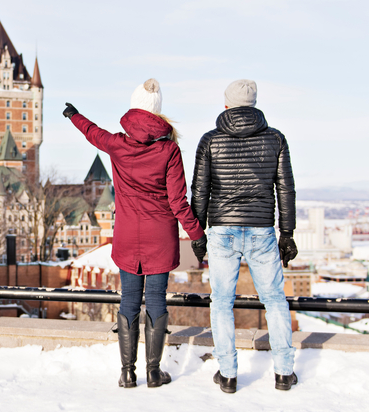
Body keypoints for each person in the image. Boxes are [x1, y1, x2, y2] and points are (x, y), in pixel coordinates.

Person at [64, 79, 204, 388]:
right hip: (160, 237)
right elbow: (179, 201)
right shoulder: (169, 149)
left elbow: (92, 133)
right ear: (157, 111)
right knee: (155, 300)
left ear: (133, 107)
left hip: (127, 236)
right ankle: (154, 372)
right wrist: (197, 235)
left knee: (128, 300)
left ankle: (127, 373)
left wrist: (74, 115)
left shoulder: (118, 144)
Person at [189, 79, 299, 394]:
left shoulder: (210, 140)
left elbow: (200, 190)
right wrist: (287, 233)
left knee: (222, 301)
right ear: (253, 105)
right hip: (262, 228)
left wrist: (198, 233)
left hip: (221, 230)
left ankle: (228, 374)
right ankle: (283, 372)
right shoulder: (275, 138)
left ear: (226, 105)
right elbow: (285, 188)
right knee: (275, 300)